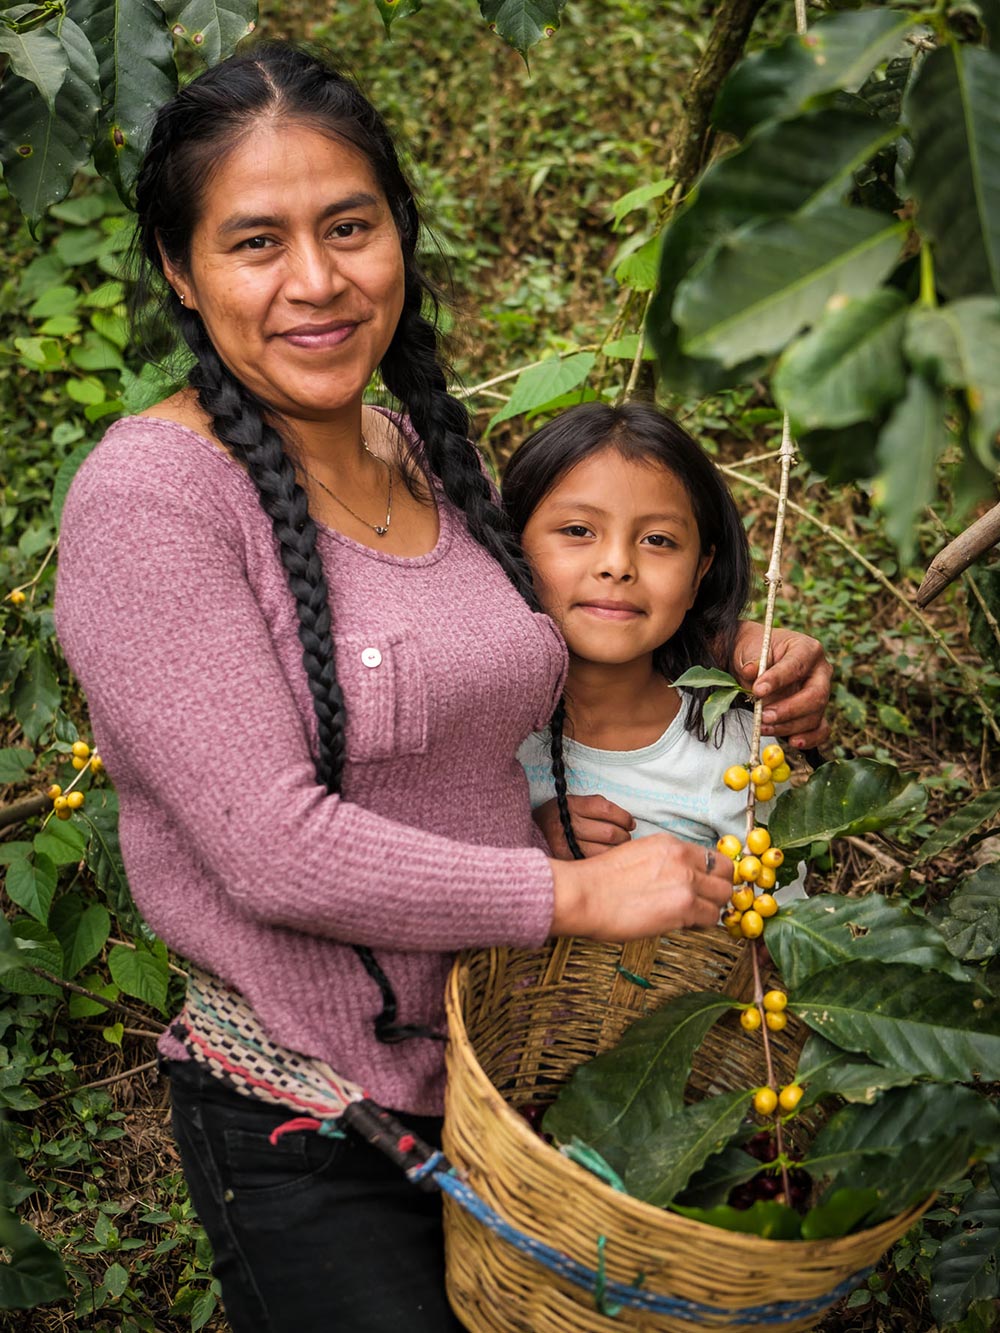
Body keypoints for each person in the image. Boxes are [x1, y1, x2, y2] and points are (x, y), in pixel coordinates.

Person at [54, 42, 831, 1333]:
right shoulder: (154, 500)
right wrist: (568, 890)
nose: (318, 280)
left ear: (400, 237)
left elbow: (513, 649)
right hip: (309, 1112)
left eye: (349, 226)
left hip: (507, 1074)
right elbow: (268, 848)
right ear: (181, 275)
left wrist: (724, 643)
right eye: (256, 242)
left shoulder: (405, 437)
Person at [505, 402, 808, 890]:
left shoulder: (732, 750)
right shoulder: (483, 723)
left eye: (658, 540)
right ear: (512, 543)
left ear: (699, 574)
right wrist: (528, 840)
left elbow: (773, 923)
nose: (617, 564)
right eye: (578, 530)